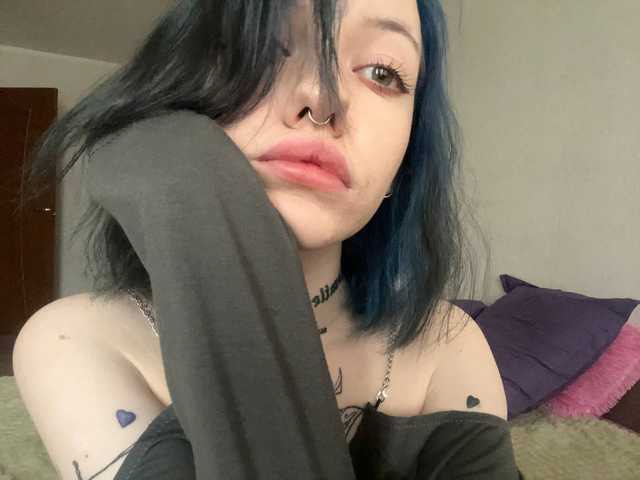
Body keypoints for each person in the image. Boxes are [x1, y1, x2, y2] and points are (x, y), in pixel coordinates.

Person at [12, 0, 523, 478]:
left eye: (382, 73)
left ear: (404, 162)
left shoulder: (447, 342)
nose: (323, 99)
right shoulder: (74, 339)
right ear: (182, 89)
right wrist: (186, 178)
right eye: (265, 49)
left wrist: (177, 177)